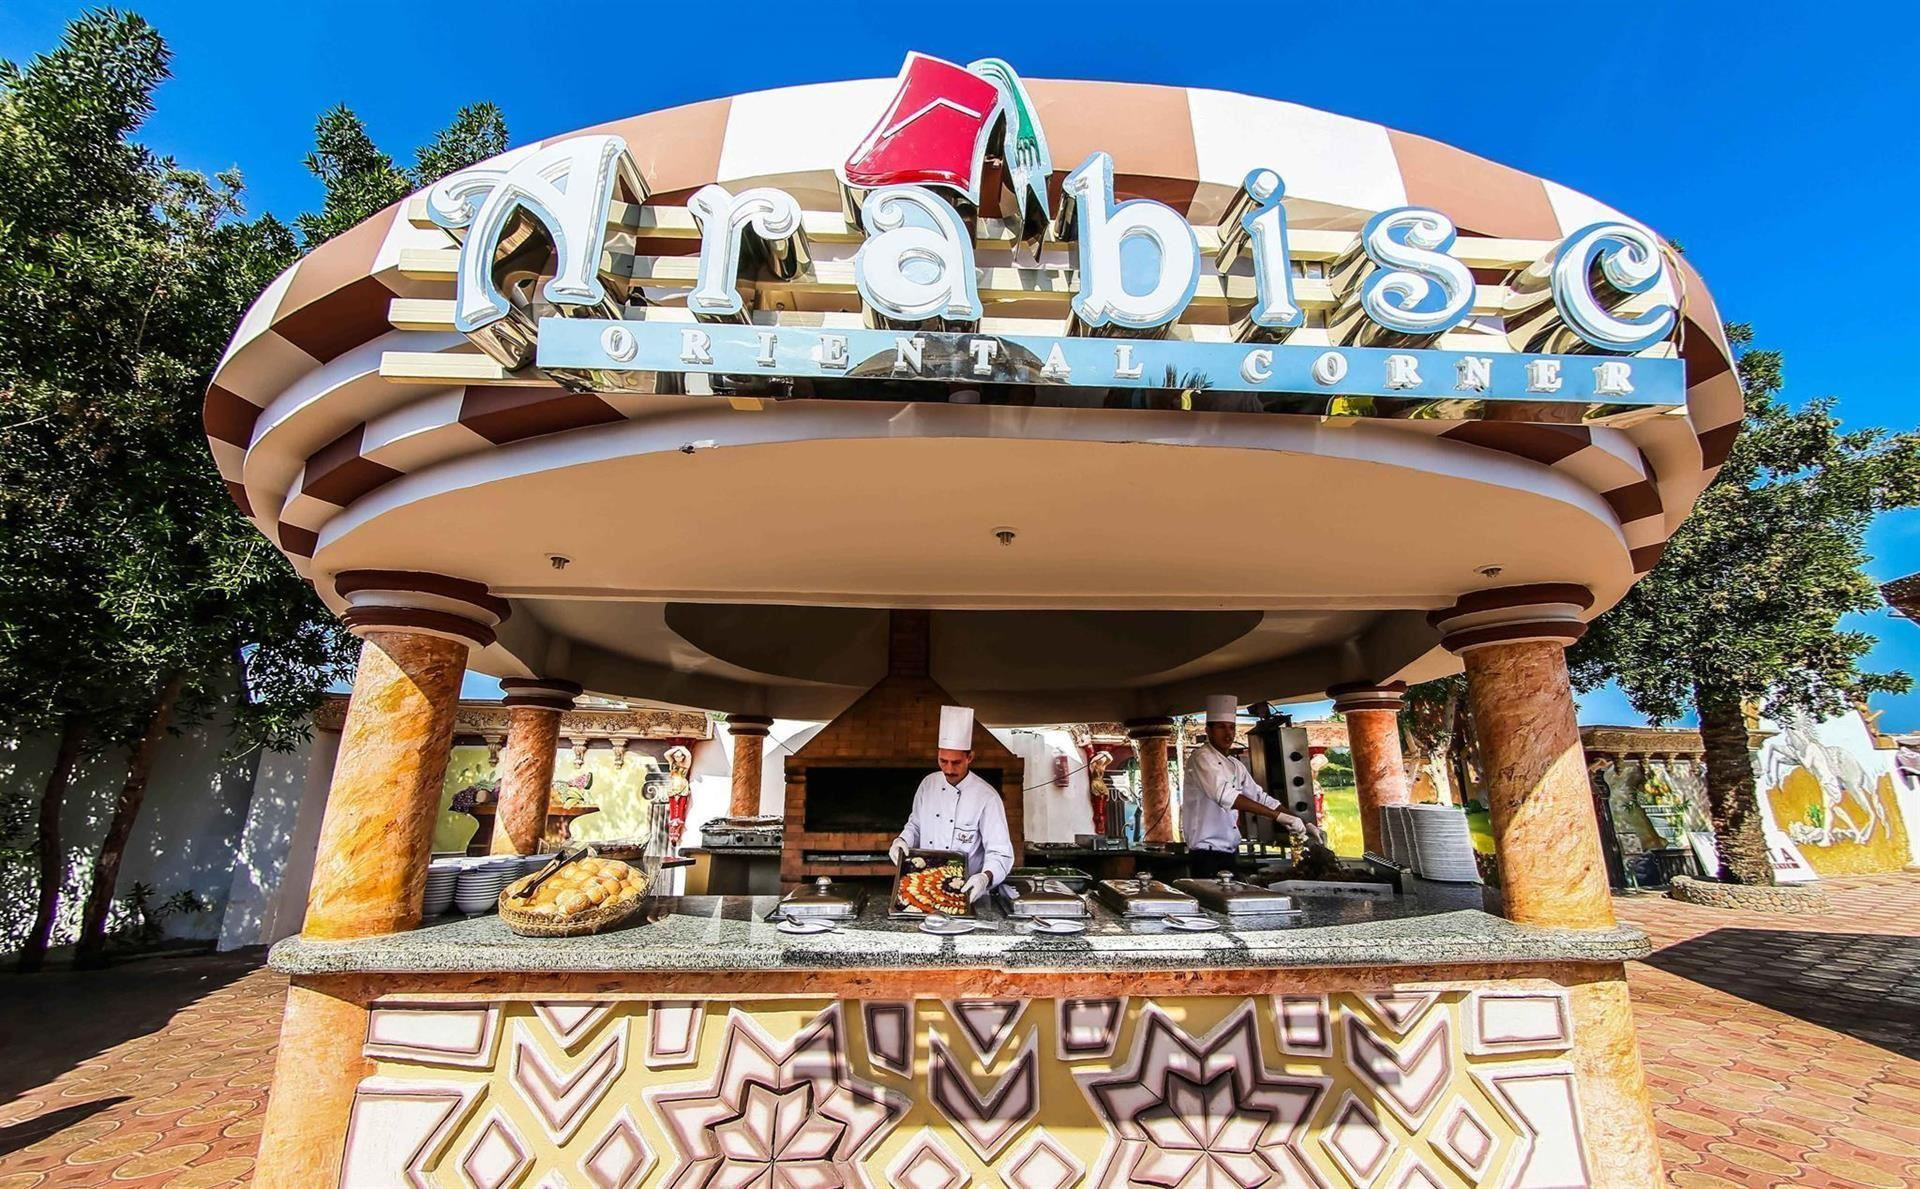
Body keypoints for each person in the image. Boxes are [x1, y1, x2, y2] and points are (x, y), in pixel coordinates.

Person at [1183, 695, 1322, 878]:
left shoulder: (1235, 765)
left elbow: (1260, 797)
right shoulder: (1202, 758)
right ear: (1208, 730)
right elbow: (1227, 797)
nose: (1228, 734)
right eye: (1221, 727)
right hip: (1206, 854)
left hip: (1229, 852)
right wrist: (1278, 817)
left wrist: (1302, 822)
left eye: (1231, 727)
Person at [888, 705, 1014, 902]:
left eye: (956, 762)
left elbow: (1000, 853)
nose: (948, 769)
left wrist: (984, 878)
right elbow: (916, 826)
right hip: (925, 888)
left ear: (969, 757)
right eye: (943, 761)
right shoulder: (928, 784)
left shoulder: (987, 797)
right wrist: (902, 840)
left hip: (967, 893)